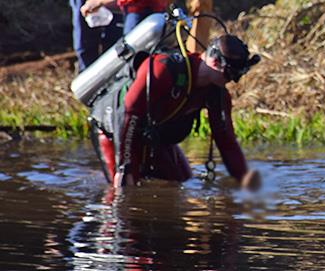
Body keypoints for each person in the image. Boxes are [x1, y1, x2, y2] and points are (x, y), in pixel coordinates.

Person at [92, 33, 262, 190]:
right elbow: (128, 113)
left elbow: (226, 141)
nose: (232, 81)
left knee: (182, 183)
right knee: (124, 192)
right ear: (215, 62)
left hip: (154, 138)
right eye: (230, 74)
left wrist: (244, 179)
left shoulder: (217, 92)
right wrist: (125, 166)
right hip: (116, 130)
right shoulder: (164, 69)